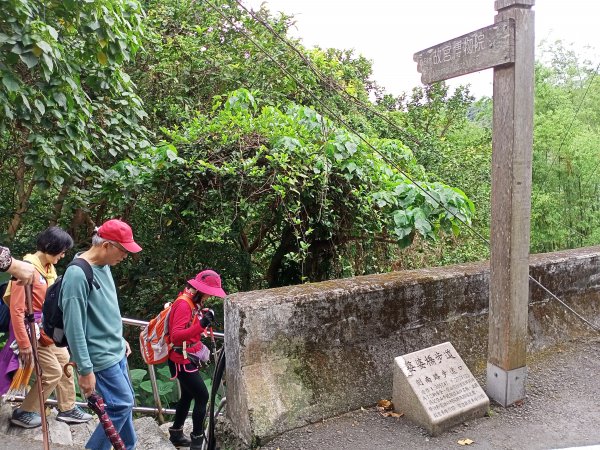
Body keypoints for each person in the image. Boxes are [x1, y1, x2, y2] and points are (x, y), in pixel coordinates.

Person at [60, 219, 142, 450]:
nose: (125, 256)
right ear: (106, 245)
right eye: (123, 250)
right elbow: (73, 326)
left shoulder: (104, 266)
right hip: (99, 355)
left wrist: (120, 336)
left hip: (115, 349)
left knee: (125, 403)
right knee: (120, 405)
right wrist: (85, 370)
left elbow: (104, 308)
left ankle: (129, 446)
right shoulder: (77, 274)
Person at [2, 227, 93, 428]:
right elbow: (16, 310)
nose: (63, 255)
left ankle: (68, 408)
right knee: (52, 372)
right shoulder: (26, 268)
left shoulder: (49, 268)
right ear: (52, 247)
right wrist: (24, 344)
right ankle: (25, 411)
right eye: (62, 251)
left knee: (65, 362)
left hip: (47, 329)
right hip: (31, 329)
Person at [167, 270, 226, 449]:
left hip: (185, 357)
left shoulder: (192, 302)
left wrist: (202, 315)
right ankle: (197, 441)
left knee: (187, 395)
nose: (210, 296)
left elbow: (188, 324)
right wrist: (202, 324)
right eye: (209, 292)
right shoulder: (184, 304)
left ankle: (176, 433)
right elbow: (176, 336)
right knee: (202, 396)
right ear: (201, 289)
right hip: (181, 359)